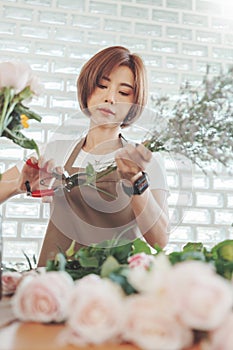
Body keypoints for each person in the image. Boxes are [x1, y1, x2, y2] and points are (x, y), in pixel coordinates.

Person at [0, 46, 170, 266]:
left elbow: (160, 239)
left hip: (114, 290)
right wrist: (20, 183)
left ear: (134, 105)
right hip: (52, 287)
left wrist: (137, 180)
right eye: (102, 85)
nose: (110, 97)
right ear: (88, 88)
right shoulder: (56, 151)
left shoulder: (145, 160)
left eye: (124, 92)